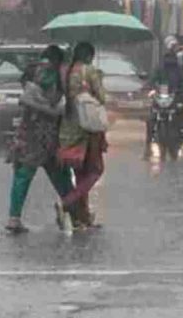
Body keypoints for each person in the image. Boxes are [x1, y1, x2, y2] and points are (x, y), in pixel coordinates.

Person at [5, 45, 73, 234]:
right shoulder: (52, 73)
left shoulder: (32, 70)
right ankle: (75, 212)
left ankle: (14, 218)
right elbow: (54, 100)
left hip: (27, 133)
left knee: (22, 176)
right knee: (61, 176)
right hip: (47, 134)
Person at [58, 42, 107, 229]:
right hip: (88, 127)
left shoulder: (65, 71)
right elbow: (101, 98)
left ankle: (82, 218)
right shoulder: (91, 72)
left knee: (80, 174)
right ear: (89, 56)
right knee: (95, 170)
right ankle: (67, 202)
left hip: (69, 126)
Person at [143, 36, 183, 160]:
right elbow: (153, 80)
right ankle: (147, 148)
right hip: (161, 99)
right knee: (151, 120)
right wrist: (151, 88)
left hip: (175, 98)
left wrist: (182, 90)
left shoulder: (179, 68)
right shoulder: (160, 68)